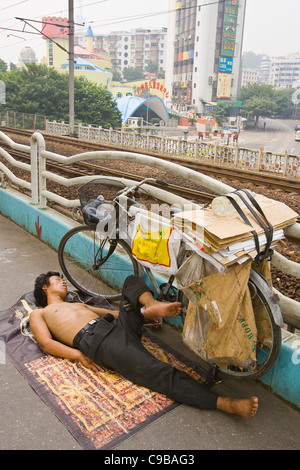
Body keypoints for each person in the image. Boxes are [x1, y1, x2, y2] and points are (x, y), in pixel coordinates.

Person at [29, 271, 258, 419]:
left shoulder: (79, 303)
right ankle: (224, 403)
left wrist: (142, 317)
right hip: (98, 341)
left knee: (131, 280)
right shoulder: (41, 313)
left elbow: (113, 312)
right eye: (57, 280)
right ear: (44, 288)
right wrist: (78, 356)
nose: (63, 281)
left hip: (115, 326)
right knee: (157, 372)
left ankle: (151, 305)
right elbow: (47, 344)